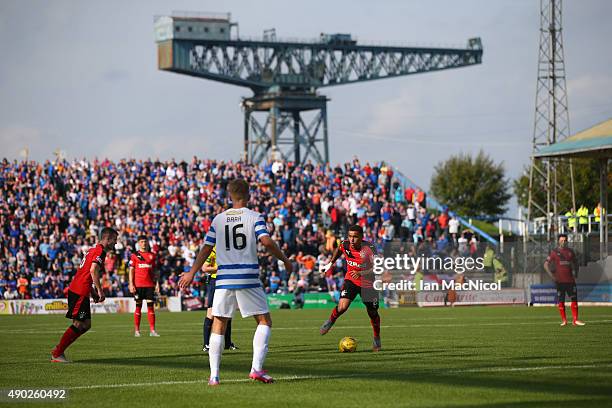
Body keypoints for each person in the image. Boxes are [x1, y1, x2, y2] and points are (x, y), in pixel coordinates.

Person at [179, 179, 293, 386]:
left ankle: (214, 376)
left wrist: (191, 272)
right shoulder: (255, 217)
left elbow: (206, 248)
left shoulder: (218, 219)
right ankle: (256, 369)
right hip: (248, 276)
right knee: (264, 321)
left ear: (229, 195)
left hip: (223, 279)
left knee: (219, 323)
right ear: (248, 195)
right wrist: (284, 259)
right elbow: (266, 241)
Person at [50, 227, 118, 362]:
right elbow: (93, 271)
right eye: (114, 240)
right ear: (107, 239)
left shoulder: (92, 250)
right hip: (79, 291)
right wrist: (100, 290)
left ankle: (58, 352)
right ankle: (57, 353)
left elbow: (85, 272)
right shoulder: (99, 252)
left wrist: (92, 292)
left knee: (85, 324)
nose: (115, 243)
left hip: (80, 289)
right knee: (79, 324)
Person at [319, 225, 382, 352]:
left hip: (367, 283)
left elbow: (377, 267)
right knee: (342, 307)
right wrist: (330, 264)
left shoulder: (369, 248)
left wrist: (361, 273)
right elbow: (339, 249)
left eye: (355, 237)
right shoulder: (345, 244)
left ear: (361, 237)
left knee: (372, 312)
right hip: (351, 280)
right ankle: (331, 320)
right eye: (350, 236)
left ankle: (376, 337)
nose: (352, 240)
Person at [544, 234, 585, 326]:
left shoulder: (570, 252)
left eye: (565, 240)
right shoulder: (554, 252)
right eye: (561, 240)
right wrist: (552, 276)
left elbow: (576, 263)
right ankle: (564, 321)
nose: (563, 242)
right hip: (560, 281)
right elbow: (545, 264)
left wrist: (576, 273)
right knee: (561, 301)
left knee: (574, 299)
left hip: (570, 280)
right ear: (558, 241)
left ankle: (575, 320)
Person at [202, 246, 238, 352]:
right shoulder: (213, 250)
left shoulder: (229, 250)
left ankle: (227, 343)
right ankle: (206, 344)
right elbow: (205, 268)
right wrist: (220, 268)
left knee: (228, 312)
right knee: (211, 312)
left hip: (227, 281)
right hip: (215, 282)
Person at [129, 235, 160, 337]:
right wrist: (131, 283)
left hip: (149, 285)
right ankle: (137, 331)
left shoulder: (152, 255)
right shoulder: (134, 255)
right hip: (138, 285)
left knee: (151, 307)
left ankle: (152, 330)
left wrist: (157, 283)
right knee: (138, 306)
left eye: (145, 241)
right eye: (142, 242)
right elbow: (131, 270)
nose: (144, 243)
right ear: (138, 243)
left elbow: (155, 271)